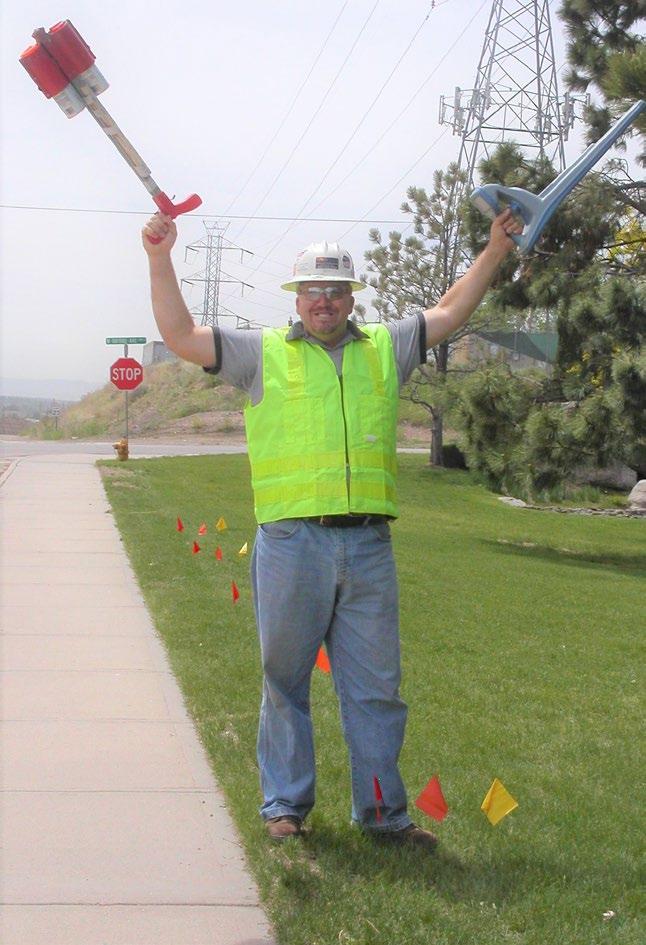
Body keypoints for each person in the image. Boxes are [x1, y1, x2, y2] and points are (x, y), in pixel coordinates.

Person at [142, 208, 522, 848]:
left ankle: (383, 816)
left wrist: (494, 251)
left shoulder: (385, 348)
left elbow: (450, 312)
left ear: (351, 297)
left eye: (336, 290)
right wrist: (160, 257)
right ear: (297, 298)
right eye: (313, 291)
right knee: (285, 681)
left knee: (377, 690)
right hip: (292, 544)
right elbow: (179, 335)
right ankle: (285, 806)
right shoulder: (260, 353)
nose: (324, 301)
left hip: (369, 545)